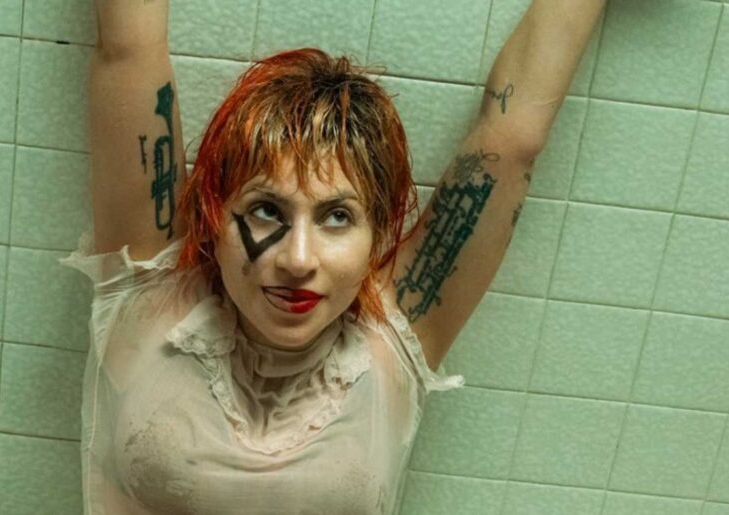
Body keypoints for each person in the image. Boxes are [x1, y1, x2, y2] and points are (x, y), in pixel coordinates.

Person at [60, 1, 607, 513]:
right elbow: (128, 48)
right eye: (267, 210)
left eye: (337, 217)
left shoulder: (396, 336)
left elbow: (513, 138)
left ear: (378, 233)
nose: (298, 260)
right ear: (214, 214)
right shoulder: (150, 290)